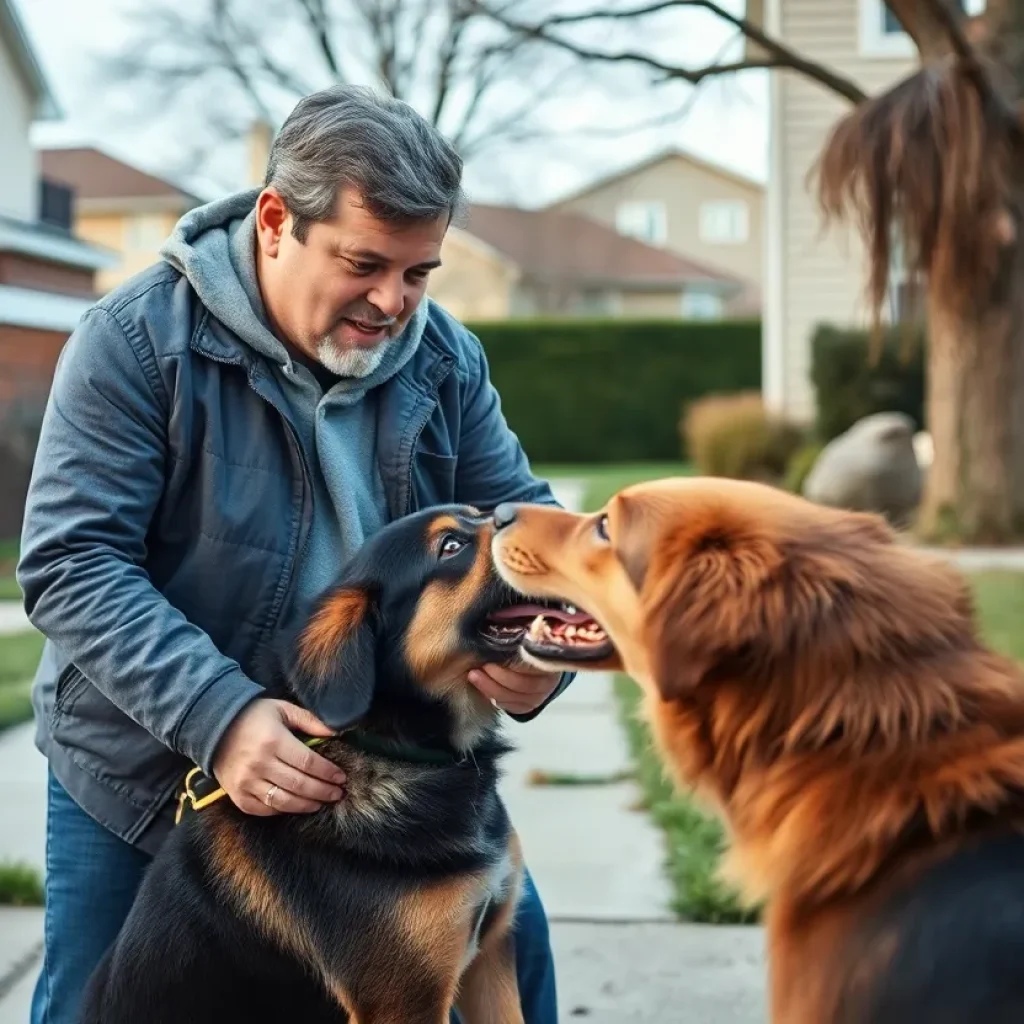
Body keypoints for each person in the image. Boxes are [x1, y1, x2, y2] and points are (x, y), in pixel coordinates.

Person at [18, 84, 571, 1024]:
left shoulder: (446, 361)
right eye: (365, 263)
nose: (395, 301)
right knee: (94, 1003)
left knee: (518, 968)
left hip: (389, 767)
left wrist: (537, 654)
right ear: (276, 221)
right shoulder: (133, 342)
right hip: (153, 766)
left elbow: (530, 529)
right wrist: (220, 716)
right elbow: (73, 563)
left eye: (419, 271)